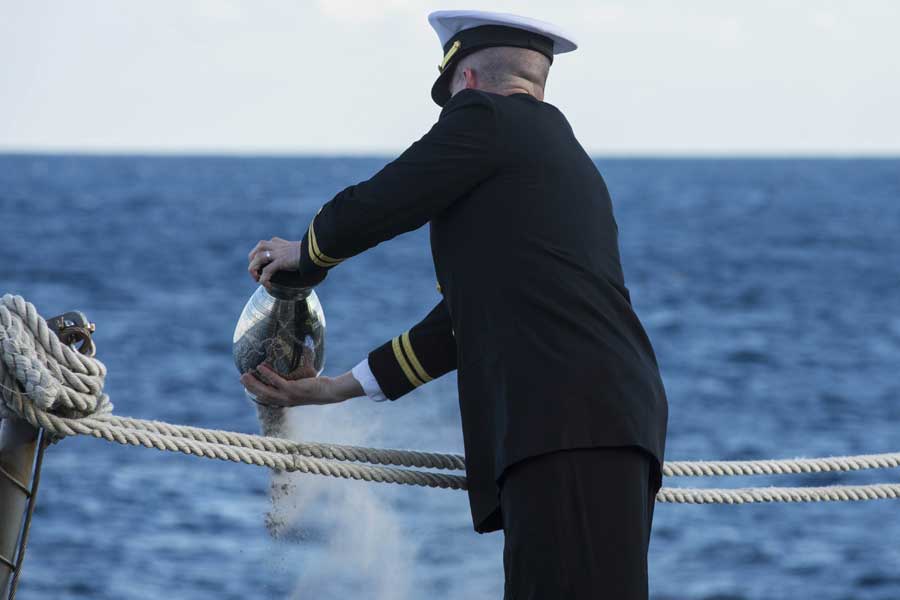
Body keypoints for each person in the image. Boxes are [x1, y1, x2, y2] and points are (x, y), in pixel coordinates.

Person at [241, 10, 668, 599]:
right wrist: (334, 389)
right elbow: (458, 327)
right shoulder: (558, 159)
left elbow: (389, 197)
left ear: (464, 83)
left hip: (566, 427)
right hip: (599, 426)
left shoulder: (488, 118)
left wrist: (305, 256)